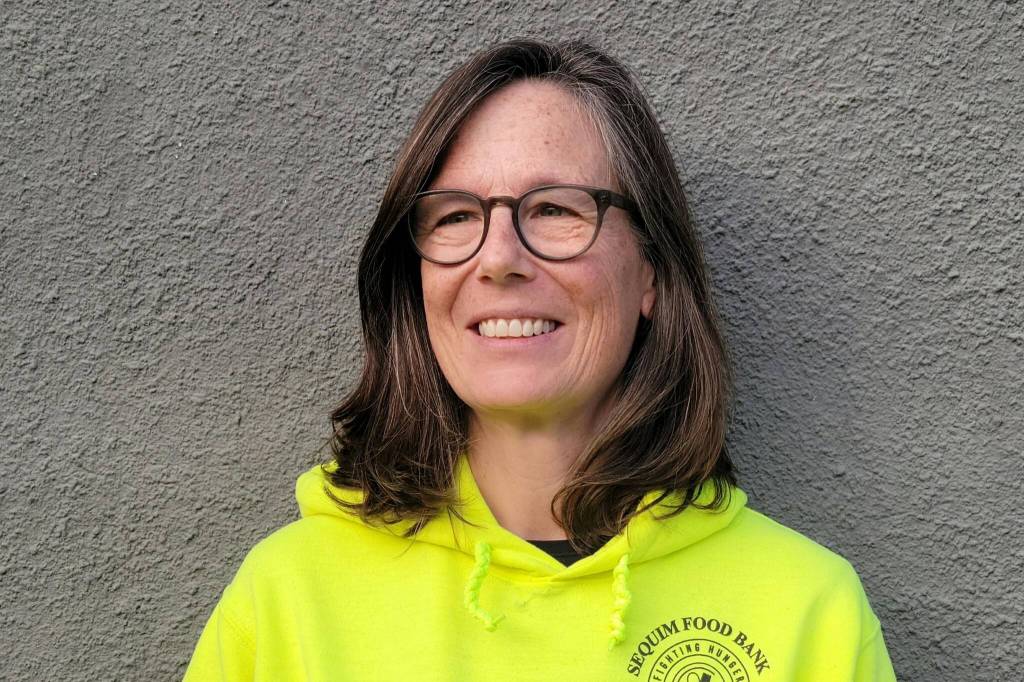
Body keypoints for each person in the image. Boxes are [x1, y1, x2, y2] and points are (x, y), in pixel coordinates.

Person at [183, 38, 897, 680]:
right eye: (455, 216)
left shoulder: (810, 613)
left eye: (555, 209)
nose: (498, 259)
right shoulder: (287, 602)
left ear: (650, 269)